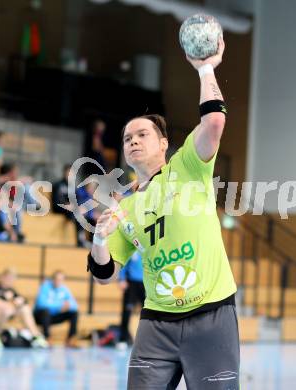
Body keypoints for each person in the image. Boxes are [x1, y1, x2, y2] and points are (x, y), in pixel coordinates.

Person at [88, 37, 240, 389]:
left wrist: (205, 68)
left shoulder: (187, 166)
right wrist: (98, 239)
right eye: (127, 139)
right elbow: (105, 274)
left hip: (212, 314)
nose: (133, 141)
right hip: (156, 323)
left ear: (163, 144)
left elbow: (214, 123)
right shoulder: (124, 208)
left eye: (142, 134)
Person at [0, 268, 48, 348]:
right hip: (1, 312)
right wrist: (9, 302)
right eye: (9, 278)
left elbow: (23, 301)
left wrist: (19, 302)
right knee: (4, 309)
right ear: (3, 277)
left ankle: (35, 336)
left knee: (25, 308)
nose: (10, 281)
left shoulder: (11, 290)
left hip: (10, 311)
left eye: (12, 279)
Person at [34, 270, 79, 347]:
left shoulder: (64, 289)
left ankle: (70, 339)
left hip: (55, 316)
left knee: (74, 313)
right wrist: (60, 306)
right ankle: (47, 338)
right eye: (56, 279)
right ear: (52, 279)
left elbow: (75, 305)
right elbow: (41, 304)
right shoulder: (45, 286)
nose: (58, 281)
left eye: (61, 279)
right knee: (45, 311)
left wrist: (67, 306)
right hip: (40, 317)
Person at [117, 251, 144, 349]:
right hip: (131, 283)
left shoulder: (148, 247)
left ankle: (151, 340)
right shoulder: (132, 248)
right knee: (126, 311)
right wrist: (122, 278)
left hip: (146, 284)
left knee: (149, 312)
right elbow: (123, 264)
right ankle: (122, 339)